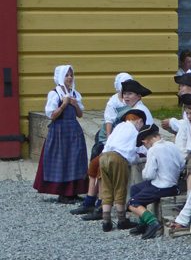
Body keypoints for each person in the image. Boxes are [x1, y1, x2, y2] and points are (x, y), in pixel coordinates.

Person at [70, 72, 133, 216]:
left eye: (130, 91)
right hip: (109, 138)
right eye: (125, 90)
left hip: (123, 144)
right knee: (94, 163)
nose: (127, 94)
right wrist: (108, 142)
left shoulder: (136, 108)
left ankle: (100, 205)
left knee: (101, 166)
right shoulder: (114, 101)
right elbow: (109, 122)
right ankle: (89, 201)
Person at [33, 65, 88, 203]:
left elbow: (80, 115)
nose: (69, 77)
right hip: (60, 131)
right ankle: (63, 193)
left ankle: (73, 191)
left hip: (73, 130)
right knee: (62, 160)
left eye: (71, 75)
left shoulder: (75, 93)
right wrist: (63, 104)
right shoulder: (55, 94)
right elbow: (52, 116)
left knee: (75, 159)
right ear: (60, 77)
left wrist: (75, 104)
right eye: (66, 75)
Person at [128, 124, 185, 240]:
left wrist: (144, 172)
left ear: (145, 141)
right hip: (173, 185)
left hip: (161, 186)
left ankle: (153, 222)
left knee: (132, 203)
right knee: (135, 189)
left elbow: (149, 175)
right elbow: (182, 164)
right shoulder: (172, 145)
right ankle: (143, 223)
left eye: (144, 144)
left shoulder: (153, 150)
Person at [99, 109, 146, 232]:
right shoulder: (133, 131)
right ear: (139, 121)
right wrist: (140, 159)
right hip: (118, 158)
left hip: (103, 157)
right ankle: (121, 220)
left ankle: (106, 221)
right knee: (120, 188)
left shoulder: (119, 126)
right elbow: (132, 151)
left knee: (106, 188)